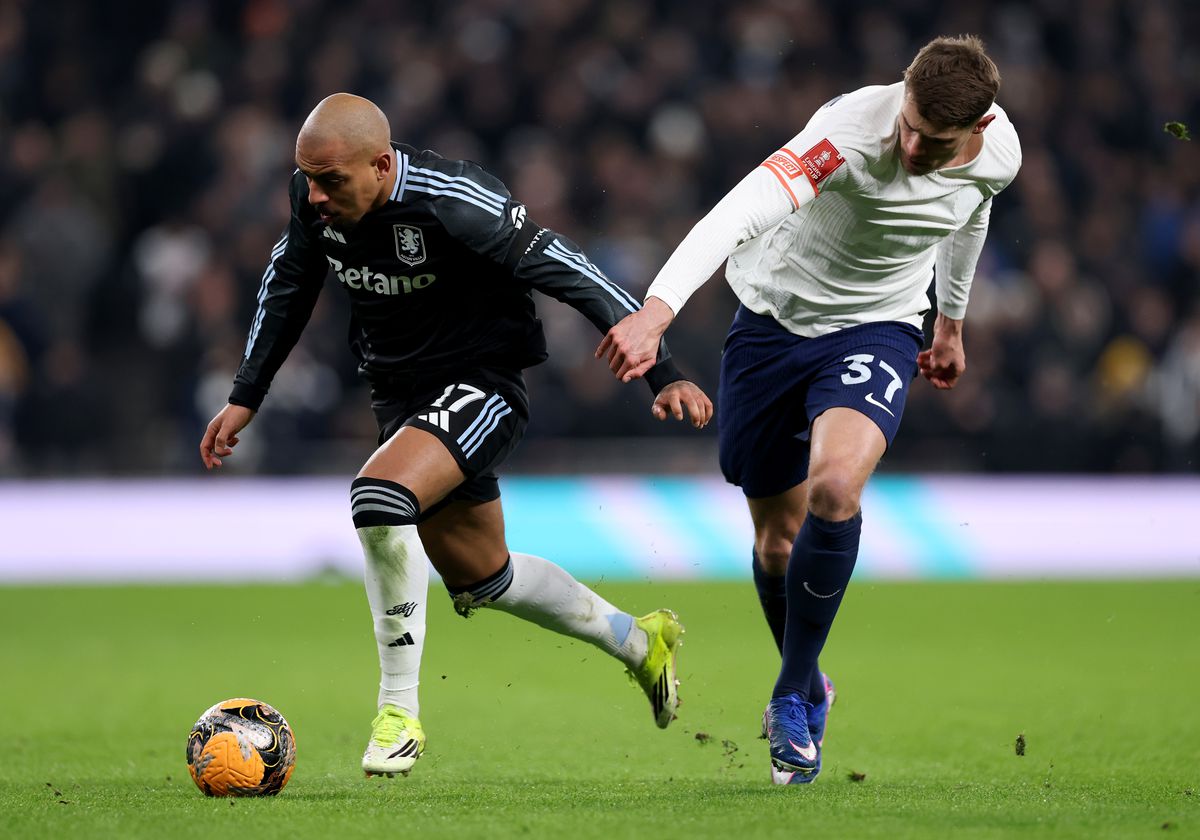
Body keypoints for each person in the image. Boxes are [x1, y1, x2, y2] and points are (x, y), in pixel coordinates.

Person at [199, 93, 713, 778]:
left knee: (379, 498)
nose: (314, 195)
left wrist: (665, 372)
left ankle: (398, 713)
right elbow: (289, 280)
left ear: (382, 164)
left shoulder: (456, 200)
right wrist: (246, 395)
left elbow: (571, 267)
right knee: (483, 577)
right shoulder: (313, 197)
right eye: (308, 179)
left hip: (484, 384)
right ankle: (637, 642)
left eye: (331, 181)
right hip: (403, 398)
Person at [596, 35, 1021, 784]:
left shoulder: (999, 155)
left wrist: (949, 321)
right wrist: (657, 310)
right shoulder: (846, 137)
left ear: (978, 131)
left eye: (935, 139)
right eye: (911, 125)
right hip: (771, 323)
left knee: (835, 488)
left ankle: (790, 695)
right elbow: (738, 212)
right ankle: (810, 675)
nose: (914, 145)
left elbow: (970, 213)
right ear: (903, 93)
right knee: (774, 545)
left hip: (881, 327)